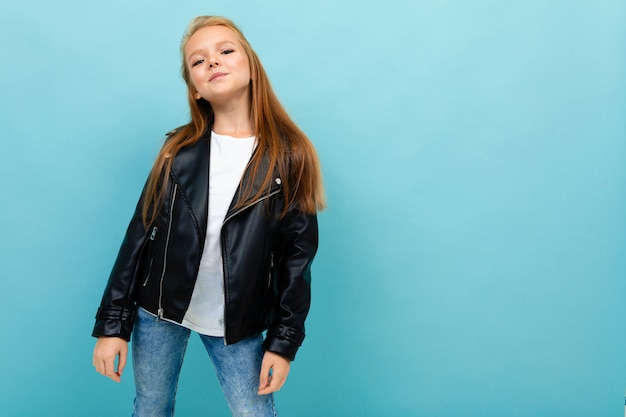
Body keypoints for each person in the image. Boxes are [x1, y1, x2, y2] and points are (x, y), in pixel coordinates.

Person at [92, 15, 325, 417]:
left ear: (251, 66)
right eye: (198, 61)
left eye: (225, 51)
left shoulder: (290, 156)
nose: (212, 62)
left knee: (253, 411)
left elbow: (296, 261)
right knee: (150, 407)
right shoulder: (176, 151)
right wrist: (113, 327)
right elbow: (138, 236)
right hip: (159, 310)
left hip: (238, 322)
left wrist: (283, 343)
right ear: (195, 90)